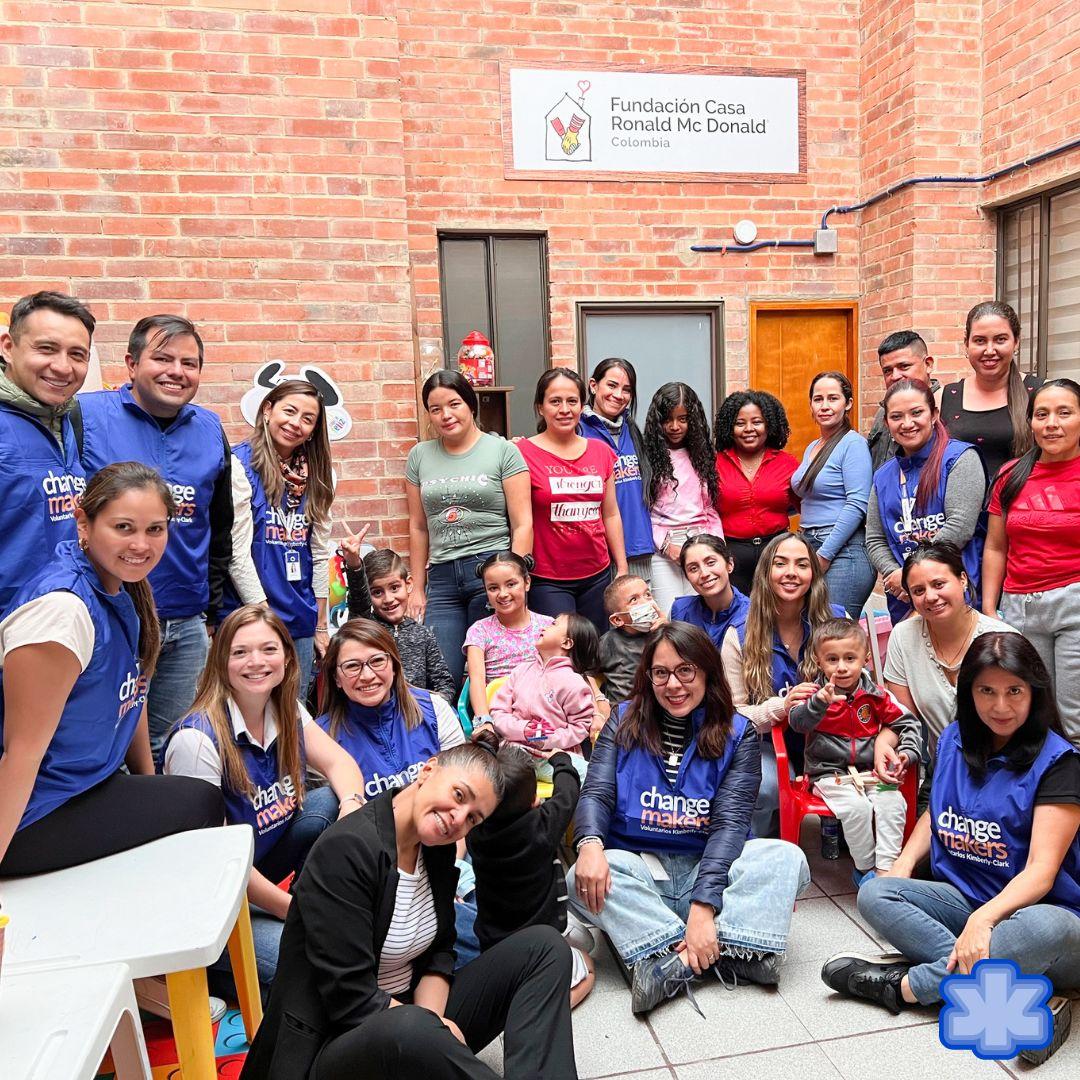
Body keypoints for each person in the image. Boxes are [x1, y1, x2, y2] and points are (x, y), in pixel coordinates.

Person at [240, 732, 580, 1080]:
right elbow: (350, 998)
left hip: (411, 1026)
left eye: (473, 819)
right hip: (333, 1046)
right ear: (428, 770)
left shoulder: (435, 846)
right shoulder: (347, 849)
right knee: (410, 1026)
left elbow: (439, 951)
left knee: (546, 947)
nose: (458, 818)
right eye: (459, 795)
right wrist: (428, 1028)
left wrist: (436, 1026)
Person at [822, 633, 1080, 1067]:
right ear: (969, 693)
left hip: (1045, 918)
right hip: (967, 898)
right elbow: (937, 815)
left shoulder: (1061, 764)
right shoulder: (954, 739)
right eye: (987, 691)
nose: (1001, 706)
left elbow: (1042, 873)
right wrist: (903, 863)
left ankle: (906, 986)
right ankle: (1018, 999)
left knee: (1041, 927)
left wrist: (984, 920)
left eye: (1014, 691)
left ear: (1035, 691)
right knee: (874, 891)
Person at [568, 622, 810, 1017]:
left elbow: (730, 826)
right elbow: (596, 791)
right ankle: (734, 951)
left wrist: (703, 906)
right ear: (648, 677)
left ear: (707, 671)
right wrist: (590, 843)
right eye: (661, 673)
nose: (673, 684)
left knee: (786, 858)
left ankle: (672, 962)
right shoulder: (622, 719)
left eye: (686, 670)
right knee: (584, 873)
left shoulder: (738, 732)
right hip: (645, 872)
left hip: (710, 870)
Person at [0, 462, 223, 877]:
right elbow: (20, 756)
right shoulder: (62, 613)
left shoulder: (123, 587)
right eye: (123, 527)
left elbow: (132, 696)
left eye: (155, 529)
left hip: (86, 785)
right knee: (201, 802)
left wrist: (150, 782)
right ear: (83, 522)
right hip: (32, 813)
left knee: (187, 799)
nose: (142, 544)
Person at [163, 604, 366, 998]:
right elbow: (217, 862)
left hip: (256, 867)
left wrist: (353, 806)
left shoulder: (284, 707)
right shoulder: (197, 741)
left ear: (288, 657)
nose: (256, 662)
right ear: (220, 662)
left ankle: (301, 914)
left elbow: (341, 764)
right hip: (212, 897)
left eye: (268, 649)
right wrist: (298, 916)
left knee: (327, 803)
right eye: (240, 652)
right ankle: (216, 972)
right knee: (309, 962)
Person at [78, 315, 236, 759]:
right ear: (131, 363)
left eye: (189, 362)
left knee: (176, 746)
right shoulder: (85, 416)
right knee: (108, 748)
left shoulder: (209, 428)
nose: (176, 371)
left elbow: (219, 526)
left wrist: (210, 609)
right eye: (162, 358)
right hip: (109, 615)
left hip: (186, 624)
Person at [405, 370, 533, 690]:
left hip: (490, 571)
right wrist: (418, 588)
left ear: (470, 405)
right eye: (436, 409)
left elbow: (523, 523)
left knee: (495, 673)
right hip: (443, 579)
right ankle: (453, 741)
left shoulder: (502, 451)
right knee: (442, 675)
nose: (446, 415)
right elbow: (419, 527)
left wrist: (511, 578)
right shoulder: (419, 456)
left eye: (454, 404)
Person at [720, 532, 845, 839]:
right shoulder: (738, 633)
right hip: (769, 744)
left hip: (833, 744)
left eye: (802, 564)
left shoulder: (839, 622)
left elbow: (861, 693)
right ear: (766, 573)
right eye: (781, 563)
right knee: (765, 789)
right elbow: (732, 718)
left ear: (813, 574)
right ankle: (752, 850)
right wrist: (781, 706)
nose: (791, 572)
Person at [223, 379, 334, 703]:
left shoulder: (318, 474)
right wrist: (265, 617)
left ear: (313, 430)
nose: (295, 423)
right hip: (251, 617)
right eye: (289, 411)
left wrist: (321, 623)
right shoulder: (238, 465)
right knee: (249, 712)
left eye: (307, 418)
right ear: (268, 410)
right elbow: (236, 554)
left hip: (299, 617)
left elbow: (318, 551)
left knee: (292, 715)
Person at [788, 617, 921, 886]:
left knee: (892, 803)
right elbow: (796, 722)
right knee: (857, 809)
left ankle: (886, 869)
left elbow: (907, 723)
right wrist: (817, 704)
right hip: (829, 775)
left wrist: (906, 752)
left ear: (866, 658)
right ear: (818, 661)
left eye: (850, 658)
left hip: (872, 773)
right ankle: (864, 868)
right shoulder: (814, 694)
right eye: (832, 659)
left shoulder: (877, 695)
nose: (842, 667)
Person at [983, 379, 1080, 747]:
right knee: (1028, 712)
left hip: (1074, 603)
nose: (1051, 423)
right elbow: (995, 547)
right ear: (1030, 422)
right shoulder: (1011, 475)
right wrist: (990, 608)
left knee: (1074, 715)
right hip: (1019, 607)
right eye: (1042, 414)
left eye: (1064, 412)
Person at [466, 746, 595, 1008]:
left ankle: (515, 990)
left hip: (494, 944)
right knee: (589, 961)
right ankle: (543, 1006)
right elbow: (568, 793)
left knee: (581, 941)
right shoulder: (543, 826)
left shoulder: (475, 835)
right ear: (535, 799)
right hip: (544, 939)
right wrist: (561, 761)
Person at [0, 291, 93, 613]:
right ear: (8, 347)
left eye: (77, 355)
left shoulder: (69, 420)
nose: (63, 367)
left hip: (65, 624)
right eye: (47, 349)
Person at [865, 378, 986, 623]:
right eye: (896, 416)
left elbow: (959, 527)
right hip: (904, 597)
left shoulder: (960, 458)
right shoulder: (883, 475)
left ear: (934, 414)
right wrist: (895, 574)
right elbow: (875, 538)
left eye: (917, 412)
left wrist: (911, 575)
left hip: (953, 593)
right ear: (887, 423)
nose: (907, 423)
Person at [518, 367, 628, 634]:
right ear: (540, 408)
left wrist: (622, 567)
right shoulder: (521, 453)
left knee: (599, 655)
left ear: (582, 405)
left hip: (598, 574)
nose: (564, 409)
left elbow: (611, 514)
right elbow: (520, 521)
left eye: (572, 401)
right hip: (547, 579)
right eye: (555, 401)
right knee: (561, 653)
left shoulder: (601, 452)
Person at [883, 541, 1017, 760]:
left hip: (1006, 766)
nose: (930, 597)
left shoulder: (1002, 638)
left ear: (962, 579)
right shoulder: (903, 636)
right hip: (945, 771)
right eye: (918, 590)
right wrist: (885, 744)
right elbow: (903, 720)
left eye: (938, 584)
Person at [315, 619, 467, 798]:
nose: (367, 676)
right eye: (352, 666)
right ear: (336, 678)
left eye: (377, 661)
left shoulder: (435, 708)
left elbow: (459, 783)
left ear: (394, 665)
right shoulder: (319, 738)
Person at [791, 372, 876, 618]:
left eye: (833, 398)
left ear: (848, 403)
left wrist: (825, 555)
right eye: (818, 399)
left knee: (835, 636)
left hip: (843, 550)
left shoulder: (853, 444)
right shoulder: (812, 447)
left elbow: (857, 504)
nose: (825, 406)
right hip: (810, 542)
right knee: (814, 632)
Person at [939, 301, 1043, 483]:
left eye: (1000, 339)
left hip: (1024, 507)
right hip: (960, 510)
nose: (989, 350)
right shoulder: (943, 397)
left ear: (1016, 341)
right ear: (966, 343)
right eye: (980, 340)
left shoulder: (1043, 393)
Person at [641, 382, 722, 614]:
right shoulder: (647, 457)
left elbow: (710, 509)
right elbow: (643, 511)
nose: (675, 426)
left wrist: (717, 547)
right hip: (664, 550)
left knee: (705, 614)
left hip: (701, 542)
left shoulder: (702, 455)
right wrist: (667, 546)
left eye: (683, 419)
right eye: (667, 419)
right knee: (670, 616)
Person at [489, 612, 597, 782]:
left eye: (554, 624)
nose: (545, 627)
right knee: (491, 772)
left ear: (567, 642)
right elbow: (498, 712)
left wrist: (547, 739)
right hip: (515, 753)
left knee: (593, 777)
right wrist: (523, 730)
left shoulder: (575, 684)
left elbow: (580, 727)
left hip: (556, 757)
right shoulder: (520, 671)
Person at [343, 545, 456, 702]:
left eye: (394, 588)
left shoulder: (423, 635)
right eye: (377, 592)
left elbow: (444, 683)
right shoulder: (365, 627)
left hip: (415, 715)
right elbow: (358, 599)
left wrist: (431, 707)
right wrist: (354, 564)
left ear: (408, 584)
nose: (388, 599)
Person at [713, 390, 799, 595]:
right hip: (731, 555)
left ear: (769, 424)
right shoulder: (714, 464)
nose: (749, 429)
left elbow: (805, 506)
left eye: (757, 422)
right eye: (740, 423)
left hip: (777, 552)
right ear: (730, 428)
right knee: (739, 618)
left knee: (777, 615)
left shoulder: (788, 464)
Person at [579, 357, 653, 583]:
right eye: (612, 385)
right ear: (593, 385)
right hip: (596, 555)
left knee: (640, 618)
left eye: (626, 389)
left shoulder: (632, 431)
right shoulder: (577, 430)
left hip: (637, 548)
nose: (619, 395)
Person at [464, 551, 553, 724]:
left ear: (527, 582)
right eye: (493, 588)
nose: (503, 594)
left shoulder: (548, 626)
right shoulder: (479, 630)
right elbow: (477, 680)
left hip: (546, 713)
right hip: (501, 715)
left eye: (511, 584)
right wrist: (484, 721)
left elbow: (560, 672)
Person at [867, 330, 940, 472]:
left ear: (928, 364)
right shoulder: (883, 412)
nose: (895, 376)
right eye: (887, 371)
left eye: (904, 366)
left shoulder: (946, 406)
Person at [671, 533, 750, 649]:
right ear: (687, 577)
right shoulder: (680, 610)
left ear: (729, 564)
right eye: (693, 568)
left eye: (711, 563)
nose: (704, 573)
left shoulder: (752, 615)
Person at [599, 574, 665, 707]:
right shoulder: (608, 642)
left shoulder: (663, 634)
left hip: (659, 710)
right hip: (623, 713)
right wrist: (599, 702)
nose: (646, 602)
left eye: (647, 594)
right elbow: (589, 673)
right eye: (634, 599)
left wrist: (668, 631)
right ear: (617, 620)